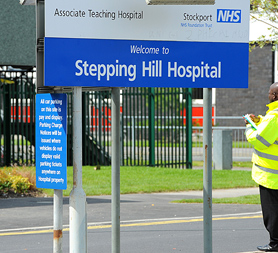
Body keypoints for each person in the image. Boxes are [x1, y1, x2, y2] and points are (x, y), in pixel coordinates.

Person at [245, 82, 278, 252]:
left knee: (272, 213)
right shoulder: (271, 117)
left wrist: (249, 127)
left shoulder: (274, 116)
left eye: (270, 92)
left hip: (271, 176)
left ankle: (275, 243)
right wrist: (260, 120)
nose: (268, 94)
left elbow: (260, 140)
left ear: (275, 96)